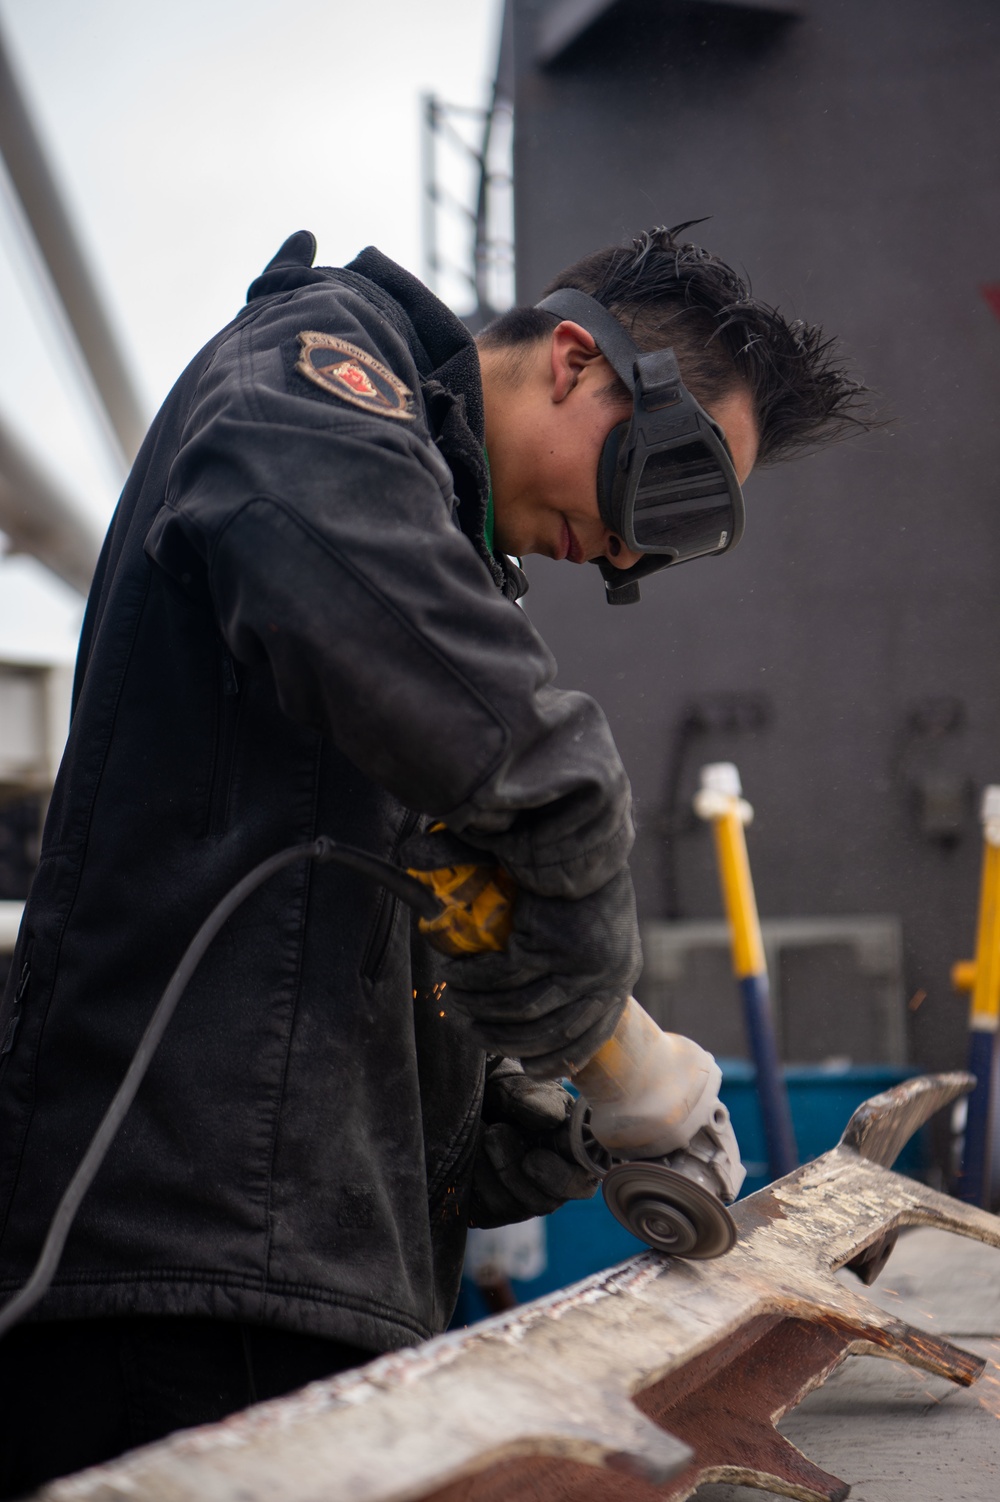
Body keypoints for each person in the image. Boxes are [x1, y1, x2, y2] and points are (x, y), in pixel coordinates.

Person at [0, 224, 866, 1492]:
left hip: (281, 1281)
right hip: (176, 1274)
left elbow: (360, 931)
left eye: (677, 535)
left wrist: (562, 1121)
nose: (630, 552)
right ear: (574, 360)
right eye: (660, 484)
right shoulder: (309, 376)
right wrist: (574, 857)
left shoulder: (422, 549)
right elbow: (513, 774)